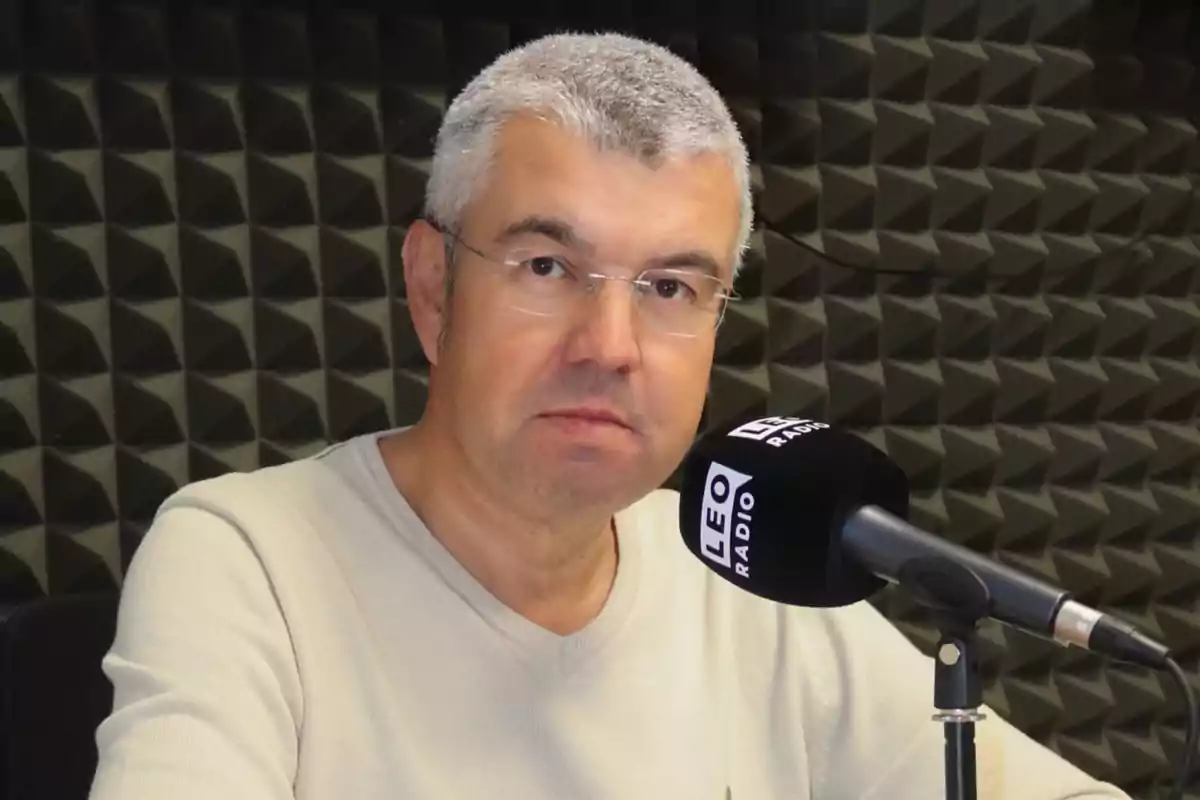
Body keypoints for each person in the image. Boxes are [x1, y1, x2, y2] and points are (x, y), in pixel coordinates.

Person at [88, 32, 1131, 800]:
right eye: (548, 266)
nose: (610, 343)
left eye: (672, 286)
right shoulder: (247, 557)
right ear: (434, 287)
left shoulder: (742, 572)